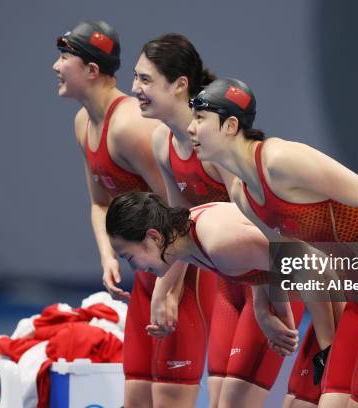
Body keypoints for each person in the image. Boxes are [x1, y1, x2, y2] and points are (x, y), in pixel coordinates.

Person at [186, 77, 358, 408]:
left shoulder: (281, 160)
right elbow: (299, 263)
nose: (190, 129)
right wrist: (265, 310)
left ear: (229, 125)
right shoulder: (243, 195)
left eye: (200, 119)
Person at [131, 34, 303, 408]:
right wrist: (164, 291)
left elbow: (263, 238)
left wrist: (264, 308)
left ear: (179, 85)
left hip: (273, 279)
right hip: (230, 284)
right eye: (135, 78)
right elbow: (179, 226)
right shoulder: (163, 143)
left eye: (145, 79)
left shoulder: (216, 148)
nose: (135, 89)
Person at [52, 21, 206, 408]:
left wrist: (169, 288)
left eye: (65, 57)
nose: (56, 66)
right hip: (148, 270)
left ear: (91, 70)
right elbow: (100, 203)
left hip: (181, 269)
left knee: (171, 397)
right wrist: (108, 254)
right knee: (135, 394)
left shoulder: (129, 127)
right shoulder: (83, 124)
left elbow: (178, 212)